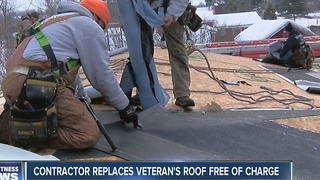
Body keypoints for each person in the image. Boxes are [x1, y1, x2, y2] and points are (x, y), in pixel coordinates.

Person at [0, 0, 139, 150]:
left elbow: (65, 72)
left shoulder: (56, 22)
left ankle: (14, 123)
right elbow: (102, 77)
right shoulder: (88, 25)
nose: (101, 31)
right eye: (102, 27)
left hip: (16, 83)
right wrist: (124, 107)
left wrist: (83, 101)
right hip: (34, 84)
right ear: (97, 18)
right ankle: (16, 134)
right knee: (87, 134)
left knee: (62, 117)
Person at [162, 0, 195, 107]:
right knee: (142, 49)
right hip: (142, 6)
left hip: (170, 5)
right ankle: (143, 91)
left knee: (178, 52)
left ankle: (182, 93)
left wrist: (172, 14)